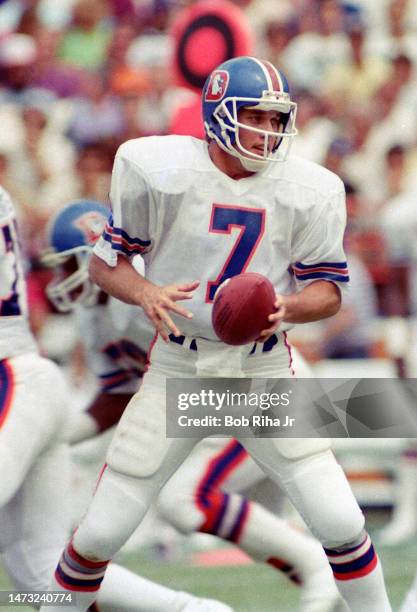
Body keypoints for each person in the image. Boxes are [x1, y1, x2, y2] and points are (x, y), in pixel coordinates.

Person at [42, 56, 392, 612]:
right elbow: (107, 265)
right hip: (180, 369)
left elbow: (328, 290)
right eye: (258, 116)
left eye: (278, 120)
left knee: (341, 520)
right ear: (220, 115)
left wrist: (288, 306)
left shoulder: (310, 187)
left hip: (263, 372)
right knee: (100, 534)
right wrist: (147, 292)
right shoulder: (157, 168)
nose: (271, 131)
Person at [42, 199, 347, 612]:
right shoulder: (93, 316)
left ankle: (318, 570)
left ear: (93, 253)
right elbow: (116, 395)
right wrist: (52, 435)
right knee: (183, 502)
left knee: (187, 499)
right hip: (209, 403)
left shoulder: (153, 285)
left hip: (257, 391)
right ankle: (321, 577)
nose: (58, 278)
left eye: (65, 265)